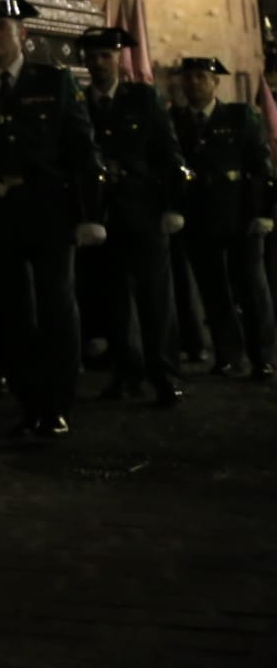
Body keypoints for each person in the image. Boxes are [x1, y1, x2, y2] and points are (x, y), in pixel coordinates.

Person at [0, 0, 106, 437]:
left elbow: (82, 150)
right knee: (13, 311)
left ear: (24, 35)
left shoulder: (53, 83)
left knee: (57, 306)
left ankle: (58, 402)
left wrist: (90, 213)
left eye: (1, 27)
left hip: (49, 209)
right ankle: (29, 400)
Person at [73, 29, 187, 406]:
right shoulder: (79, 102)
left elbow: (168, 153)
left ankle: (165, 375)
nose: (98, 63)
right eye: (92, 56)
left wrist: (173, 207)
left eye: (105, 55)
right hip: (103, 217)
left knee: (156, 301)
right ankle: (126, 373)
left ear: (118, 59)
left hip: (144, 211)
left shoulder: (142, 98)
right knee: (115, 301)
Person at [171, 56, 276, 380]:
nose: (194, 83)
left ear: (215, 82)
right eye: (188, 78)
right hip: (199, 220)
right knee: (214, 293)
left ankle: (263, 358)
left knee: (252, 290)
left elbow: (262, 168)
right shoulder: (175, 121)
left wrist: (264, 213)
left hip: (240, 217)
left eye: (201, 77)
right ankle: (228, 356)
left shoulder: (239, 116)